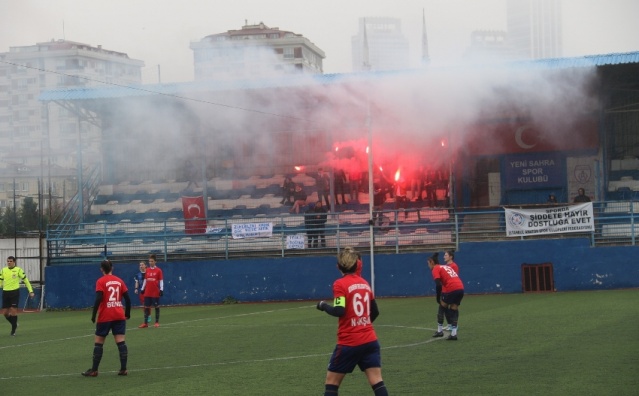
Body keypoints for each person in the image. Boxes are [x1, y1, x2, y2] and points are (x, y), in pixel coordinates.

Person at [316, 248, 389, 396]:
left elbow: (339, 310)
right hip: (370, 340)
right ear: (356, 265)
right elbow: (375, 312)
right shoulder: (364, 283)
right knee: (377, 381)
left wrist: (323, 306)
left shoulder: (340, 284)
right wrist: (362, 324)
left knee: (332, 383)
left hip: (349, 342)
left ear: (338, 267)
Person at [82, 259, 131, 377]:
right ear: (112, 268)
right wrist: (127, 313)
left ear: (101, 269)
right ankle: (123, 369)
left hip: (105, 315)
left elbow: (98, 298)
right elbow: (128, 299)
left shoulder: (100, 281)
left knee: (99, 342)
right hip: (119, 314)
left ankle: (94, 370)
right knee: (121, 341)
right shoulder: (119, 281)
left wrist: (94, 315)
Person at [428, 250, 464, 340]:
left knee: (442, 306)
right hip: (460, 288)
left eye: (428, 263)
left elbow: (438, 284)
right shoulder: (445, 267)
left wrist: (438, 297)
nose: (428, 265)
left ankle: (440, 331)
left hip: (451, 288)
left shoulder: (436, 268)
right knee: (454, 308)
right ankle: (454, 334)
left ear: (432, 262)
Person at [0, 256, 35, 336]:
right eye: (8, 261)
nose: (9, 262)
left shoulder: (18, 270)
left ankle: (13, 331)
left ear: (14, 262)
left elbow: (26, 281)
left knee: (13, 311)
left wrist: (31, 291)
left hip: (14, 292)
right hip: (5, 292)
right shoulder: (3, 270)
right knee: (5, 313)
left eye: (10, 261)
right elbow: (0, 281)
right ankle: (14, 324)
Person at [139, 254, 164, 328]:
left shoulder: (158, 270)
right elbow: (145, 280)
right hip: (147, 292)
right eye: (149, 261)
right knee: (146, 307)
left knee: (156, 307)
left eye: (152, 261)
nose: (150, 262)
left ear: (155, 261)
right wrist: (142, 289)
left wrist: (161, 289)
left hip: (155, 292)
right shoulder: (147, 270)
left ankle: (156, 322)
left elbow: (161, 280)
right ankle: (145, 323)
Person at [133, 261, 150, 325]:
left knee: (148, 304)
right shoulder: (138, 275)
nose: (141, 266)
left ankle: (148, 316)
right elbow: (137, 282)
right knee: (144, 304)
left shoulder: (148, 273)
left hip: (149, 291)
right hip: (142, 291)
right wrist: (136, 289)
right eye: (140, 265)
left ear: (145, 265)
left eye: (142, 265)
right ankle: (147, 316)